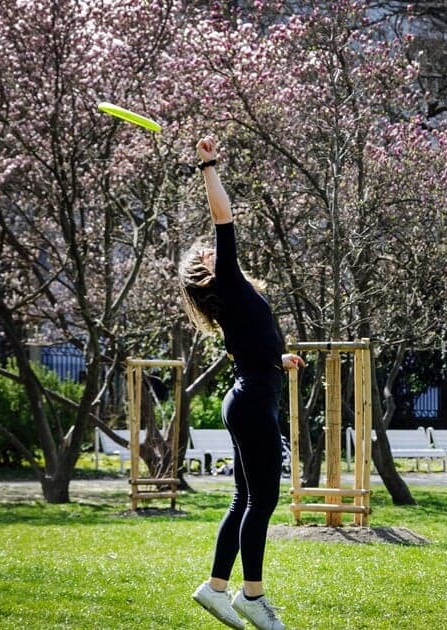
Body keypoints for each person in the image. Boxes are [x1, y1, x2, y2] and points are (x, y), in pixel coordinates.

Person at [183, 136, 302, 630]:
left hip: (248, 394)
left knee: (244, 499)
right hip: (252, 401)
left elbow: (249, 346)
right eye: (210, 252)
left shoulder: (237, 297)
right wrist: (209, 165)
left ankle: (215, 588)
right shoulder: (228, 281)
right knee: (262, 501)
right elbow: (223, 217)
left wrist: (278, 359)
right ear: (208, 270)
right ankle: (252, 596)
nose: (217, 250)